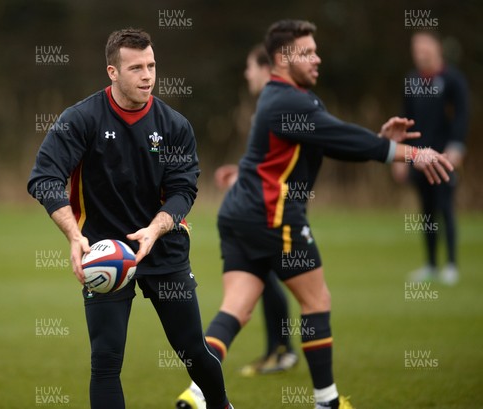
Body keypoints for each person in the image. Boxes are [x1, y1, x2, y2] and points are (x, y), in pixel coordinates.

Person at [177, 20, 453, 409]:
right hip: (273, 218)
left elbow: (327, 140)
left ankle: (197, 393)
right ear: (280, 60)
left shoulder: (282, 98)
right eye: (306, 52)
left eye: (315, 50)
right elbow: (340, 137)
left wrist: (379, 142)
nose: (317, 58)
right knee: (316, 300)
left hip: (239, 214)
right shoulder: (289, 101)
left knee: (236, 306)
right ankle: (328, 401)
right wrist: (413, 153)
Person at [28, 28, 233, 409]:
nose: (147, 76)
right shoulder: (80, 119)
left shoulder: (174, 126)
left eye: (152, 66)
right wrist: (74, 236)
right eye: (136, 67)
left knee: (192, 349)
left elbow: (182, 192)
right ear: (112, 72)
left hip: (163, 248)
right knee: (105, 362)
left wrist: (155, 230)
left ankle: (221, 405)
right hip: (104, 253)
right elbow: (43, 178)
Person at [214, 44, 298, 377]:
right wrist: (241, 174)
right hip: (264, 204)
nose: (247, 73)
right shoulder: (269, 104)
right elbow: (270, 160)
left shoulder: (278, 103)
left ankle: (284, 352)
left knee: (276, 279)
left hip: (275, 209)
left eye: (250, 67)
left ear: (265, 68)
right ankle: (280, 350)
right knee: (265, 275)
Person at [392, 31, 469, 285]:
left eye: (424, 47)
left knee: (445, 207)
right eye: (416, 49)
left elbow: (461, 116)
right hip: (417, 157)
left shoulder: (452, 80)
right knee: (426, 212)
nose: (420, 53)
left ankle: (451, 265)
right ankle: (431, 265)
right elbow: (405, 119)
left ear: (437, 48)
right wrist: (400, 156)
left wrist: (456, 146)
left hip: (444, 157)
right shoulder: (412, 80)